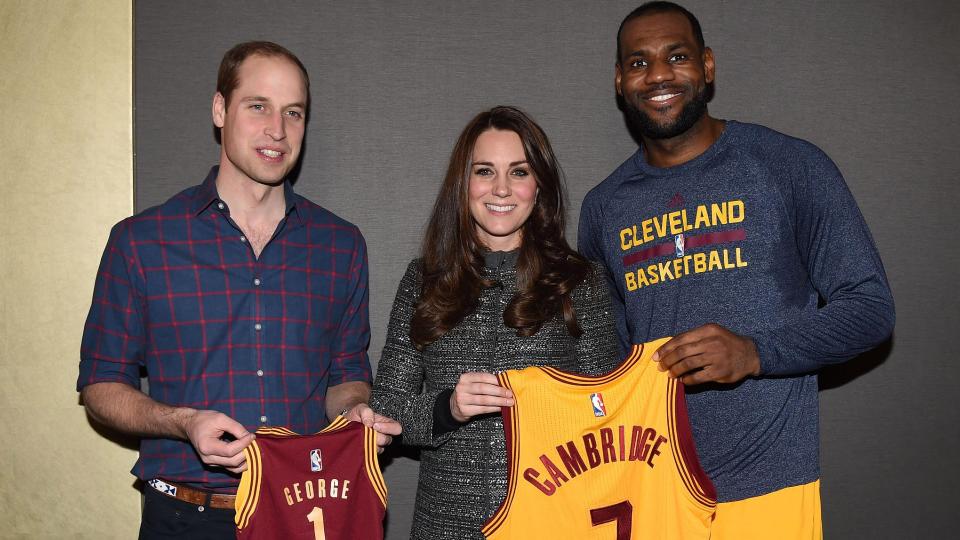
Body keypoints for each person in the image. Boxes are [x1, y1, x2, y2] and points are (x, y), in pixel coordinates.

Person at [578, 3, 896, 538]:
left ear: (707, 66)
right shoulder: (603, 207)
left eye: (676, 57)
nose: (658, 74)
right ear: (619, 80)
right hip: (650, 486)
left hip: (769, 486)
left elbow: (870, 308)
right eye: (638, 63)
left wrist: (754, 354)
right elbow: (608, 354)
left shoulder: (789, 165)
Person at [77, 41, 400, 539]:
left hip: (305, 511)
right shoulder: (141, 241)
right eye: (258, 107)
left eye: (294, 112)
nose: (278, 129)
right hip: (185, 516)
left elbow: (347, 376)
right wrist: (184, 422)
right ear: (220, 109)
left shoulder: (340, 245)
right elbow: (101, 387)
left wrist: (352, 414)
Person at [370, 106, 620, 539]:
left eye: (519, 172)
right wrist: (447, 408)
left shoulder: (581, 280)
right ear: (463, 184)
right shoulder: (422, 279)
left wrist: (554, 402)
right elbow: (387, 410)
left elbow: (609, 408)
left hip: (553, 521)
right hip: (445, 526)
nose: (502, 189)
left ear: (539, 186)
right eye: (485, 171)